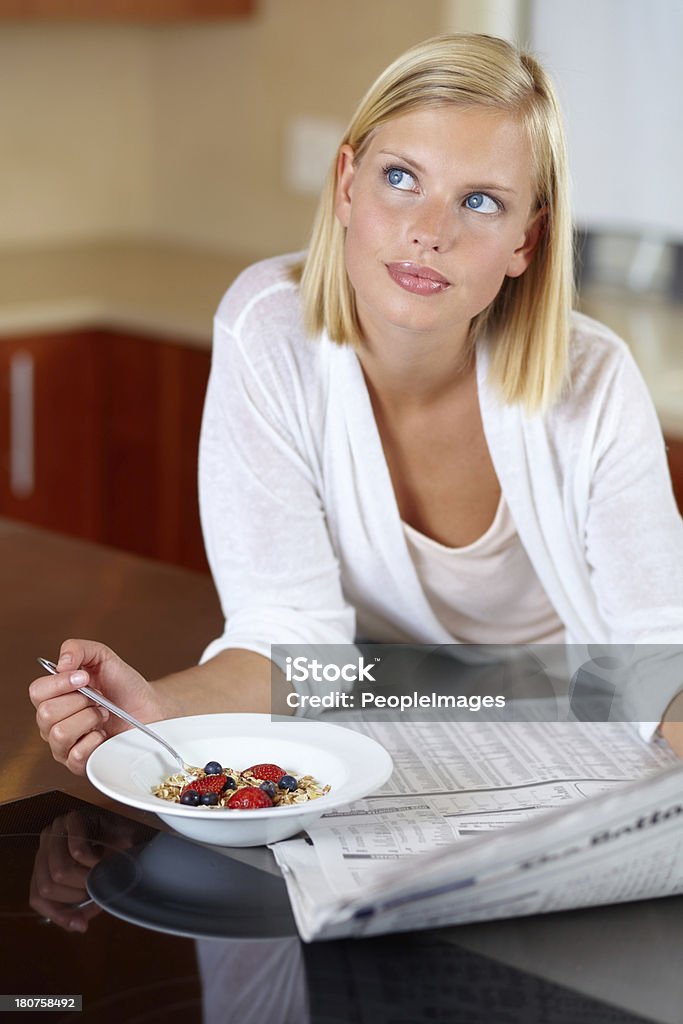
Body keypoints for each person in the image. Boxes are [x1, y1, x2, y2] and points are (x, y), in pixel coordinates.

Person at [29, 33, 683, 774]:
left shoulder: (593, 380)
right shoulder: (268, 330)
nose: (429, 232)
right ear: (346, 184)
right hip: (377, 721)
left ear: (524, 241)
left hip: (572, 729)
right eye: (401, 177)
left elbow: (659, 660)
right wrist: (158, 712)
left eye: (479, 201)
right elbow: (289, 635)